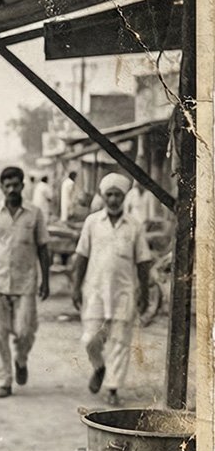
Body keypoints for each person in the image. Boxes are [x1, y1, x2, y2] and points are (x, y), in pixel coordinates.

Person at [70, 171, 152, 406]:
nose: (114, 199)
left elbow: (143, 262)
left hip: (124, 292)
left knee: (120, 342)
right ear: (103, 196)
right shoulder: (92, 222)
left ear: (124, 197)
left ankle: (113, 387)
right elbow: (82, 257)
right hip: (95, 290)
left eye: (118, 195)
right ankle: (99, 366)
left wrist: (144, 293)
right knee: (89, 339)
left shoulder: (134, 226)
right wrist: (76, 287)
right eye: (109, 195)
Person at [0, 166, 51, 398]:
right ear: (2, 187)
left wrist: (46, 280)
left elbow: (44, 249)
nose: (12, 189)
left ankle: (21, 359)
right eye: (8, 185)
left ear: (23, 186)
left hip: (25, 282)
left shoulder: (35, 214)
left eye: (16, 185)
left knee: (26, 330)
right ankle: (3, 380)